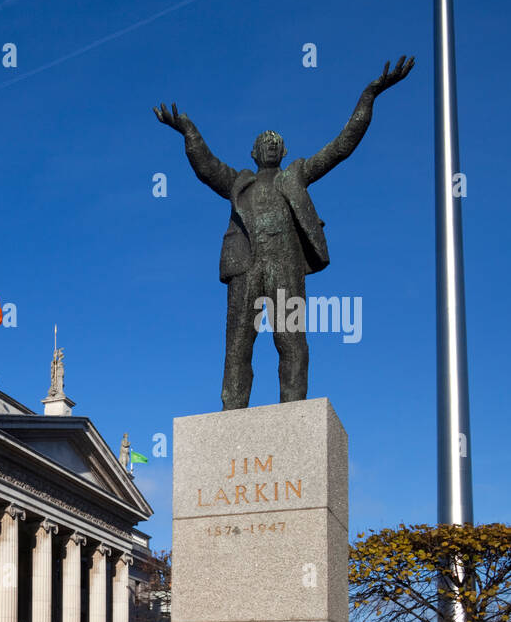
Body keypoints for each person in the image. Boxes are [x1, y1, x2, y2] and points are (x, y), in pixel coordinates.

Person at [155, 57, 414, 409]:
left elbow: (341, 146)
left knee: (291, 341)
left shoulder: (295, 175)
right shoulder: (238, 183)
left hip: (285, 266)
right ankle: (232, 411)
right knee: (237, 345)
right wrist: (189, 131)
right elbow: (206, 166)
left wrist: (369, 96)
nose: (271, 144)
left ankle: (292, 412)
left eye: (276, 141)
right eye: (264, 141)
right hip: (245, 267)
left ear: (285, 151)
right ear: (253, 152)